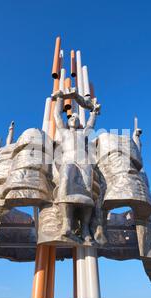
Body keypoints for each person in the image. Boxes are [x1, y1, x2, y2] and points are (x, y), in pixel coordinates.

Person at [52, 89, 100, 244]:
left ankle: (85, 229)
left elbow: (91, 125)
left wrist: (94, 112)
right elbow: (57, 116)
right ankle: (66, 225)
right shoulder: (64, 132)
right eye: (72, 117)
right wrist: (60, 99)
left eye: (77, 118)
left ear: (79, 123)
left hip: (84, 162)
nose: (74, 118)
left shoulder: (83, 133)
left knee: (87, 193)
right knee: (65, 185)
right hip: (69, 161)